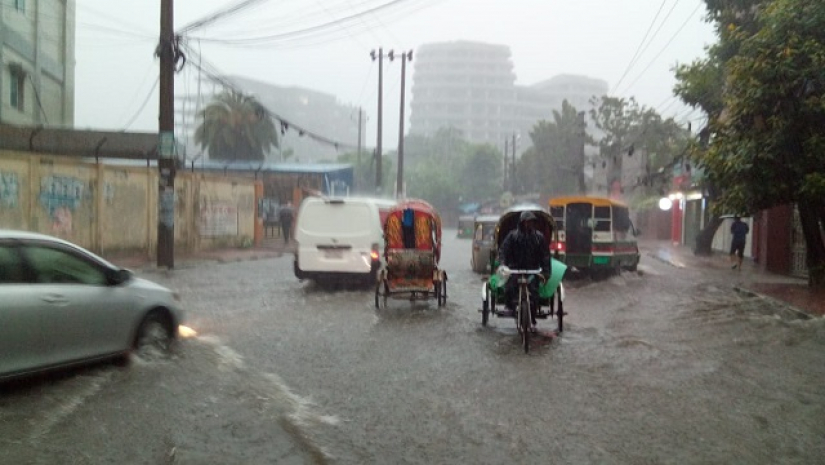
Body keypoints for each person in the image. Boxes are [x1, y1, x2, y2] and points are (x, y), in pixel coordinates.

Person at [498, 211, 550, 330]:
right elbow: (503, 251)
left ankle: (532, 315)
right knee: (510, 289)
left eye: (531, 222)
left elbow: (545, 256)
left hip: (532, 271)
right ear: (522, 223)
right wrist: (503, 265)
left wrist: (545, 272)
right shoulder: (512, 236)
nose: (529, 224)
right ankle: (511, 308)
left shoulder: (539, 238)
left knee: (535, 293)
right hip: (514, 269)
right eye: (527, 222)